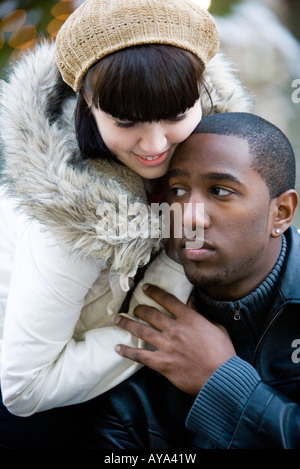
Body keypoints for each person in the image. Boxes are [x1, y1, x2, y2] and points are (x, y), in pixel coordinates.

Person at [0, 0, 252, 449]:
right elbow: (23, 388)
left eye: (176, 115)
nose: (155, 145)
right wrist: (169, 285)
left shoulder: (219, 153)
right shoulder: (70, 220)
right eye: (126, 122)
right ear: (88, 106)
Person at [92, 112, 300, 449]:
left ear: (281, 212)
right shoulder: (142, 326)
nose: (188, 216)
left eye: (219, 190)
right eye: (177, 190)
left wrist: (221, 381)